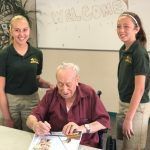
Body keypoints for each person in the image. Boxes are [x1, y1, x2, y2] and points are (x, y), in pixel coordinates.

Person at [26, 62, 110, 148]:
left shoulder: (89, 93)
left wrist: (82, 128)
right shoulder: (51, 95)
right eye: (60, 84)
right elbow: (31, 118)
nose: (64, 90)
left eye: (68, 84)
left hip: (84, 144)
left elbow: (104, 121)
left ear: (77, 80)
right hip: (57, 143)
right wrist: (35, 125)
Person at [0, 15, 54, 132]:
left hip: (32, 101)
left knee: (32, 135)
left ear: (29, 30)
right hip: (11, 102)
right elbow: (0, 89)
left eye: (25, 30)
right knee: (12, 136)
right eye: (17, 30)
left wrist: (49, 85)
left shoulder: (37, 53)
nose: (21, 34)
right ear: (11, 31)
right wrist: (6, 116)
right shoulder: (4, 54)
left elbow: (36, 79)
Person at [116, 11, 150, 150]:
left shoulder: (139, 53)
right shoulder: (123, 49)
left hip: (137, 109)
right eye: (118, 26)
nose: (121, 30)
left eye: (126, 26)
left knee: (133, 147)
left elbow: (140, 88)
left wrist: (129, 118)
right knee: (125, 146)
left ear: (137, 29)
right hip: (124, 104)